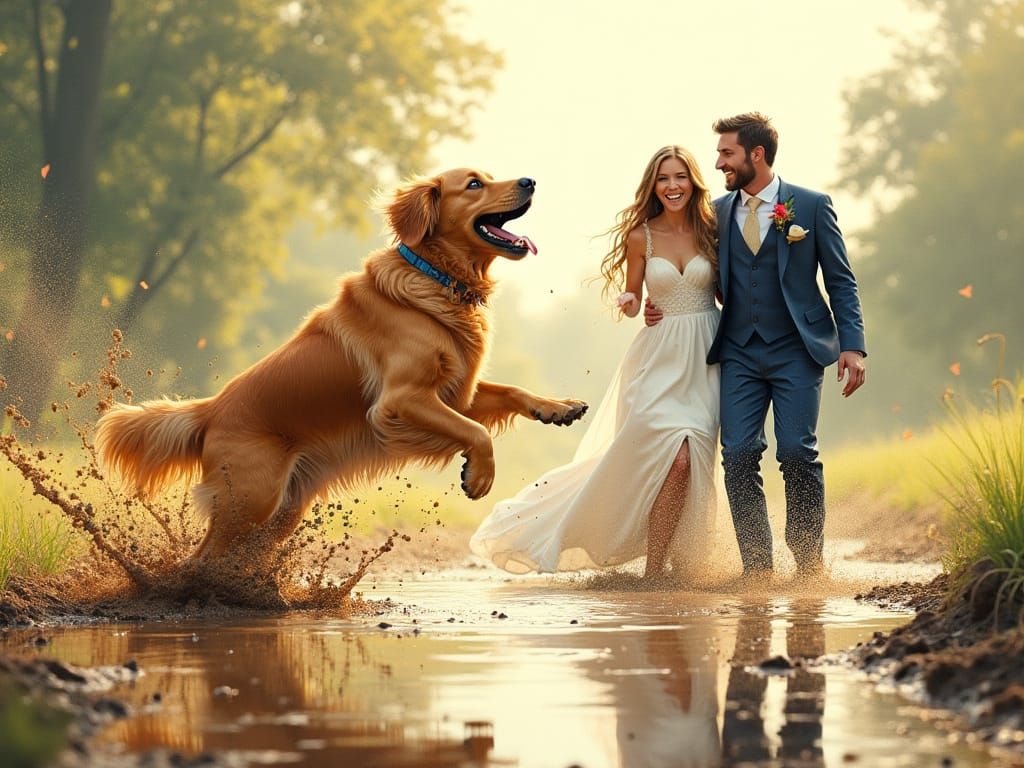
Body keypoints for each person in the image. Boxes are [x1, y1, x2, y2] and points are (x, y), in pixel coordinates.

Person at [470, 145, 721, 581]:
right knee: (668, 459)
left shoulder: (712, 231)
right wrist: (630, 302)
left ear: (692, 181)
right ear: (653, 186)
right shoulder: (641, 236)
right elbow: (633, 298)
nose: (672, 186)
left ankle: (684, 562)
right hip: (658, 359)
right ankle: (655, 572)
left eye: (680, 177)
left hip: (707, 358)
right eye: (664, 179)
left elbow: (725, 294)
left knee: (691, 462)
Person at [646, 112, 866, 579]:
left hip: (797, 350)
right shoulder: (715, 214)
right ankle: (757, 570)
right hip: (739, 352)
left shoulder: (810, 205)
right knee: (740, 454)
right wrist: (655, 299)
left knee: (796, 452)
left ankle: (808, 566)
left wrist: (854, 346)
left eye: (727, 153)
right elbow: (683, 261)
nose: (719, 161)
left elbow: (841, 281)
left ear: (756, 154)